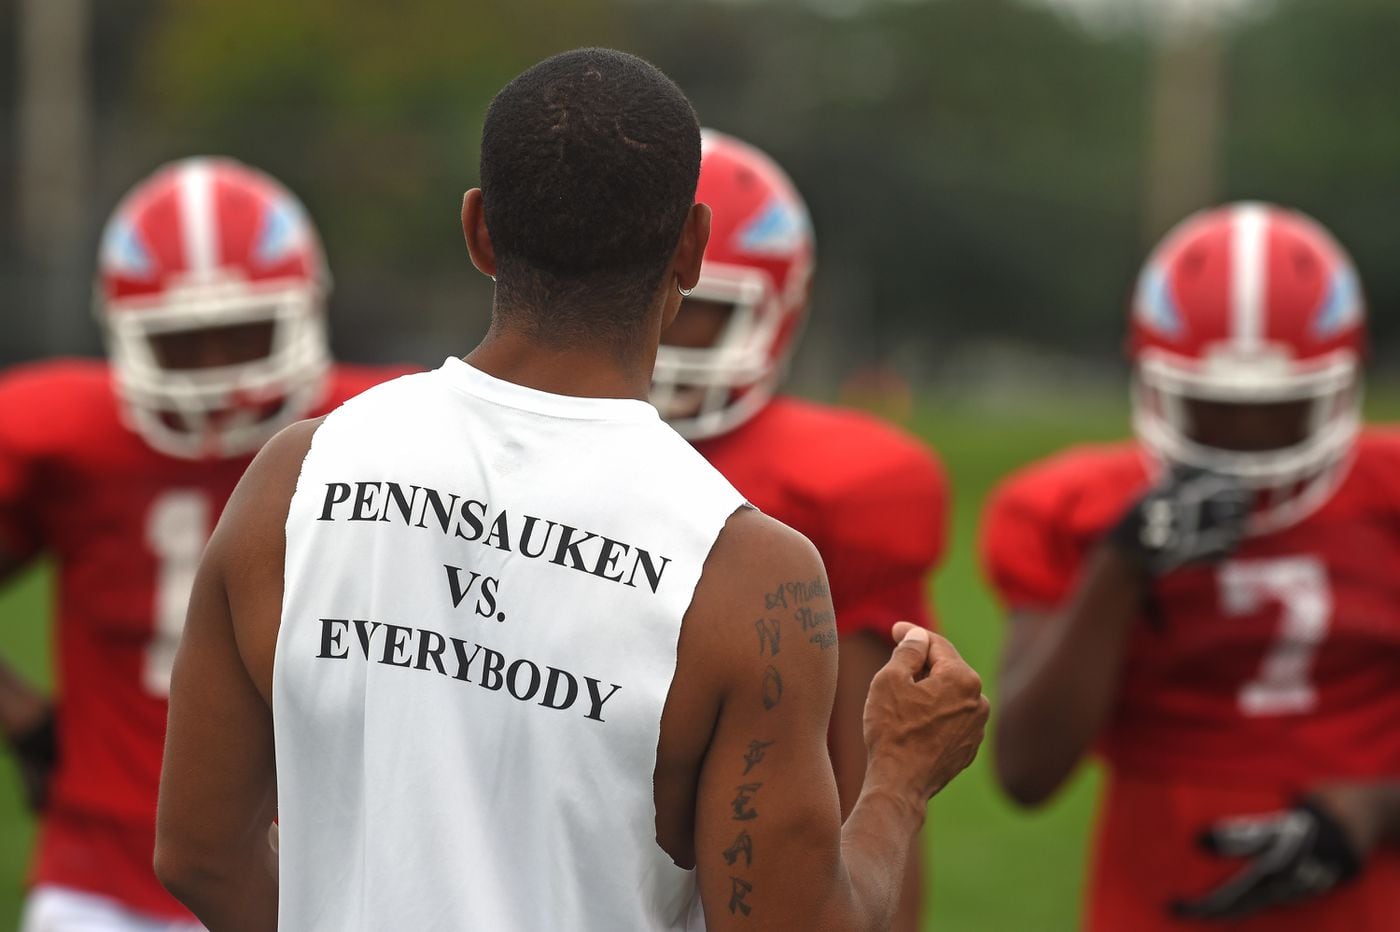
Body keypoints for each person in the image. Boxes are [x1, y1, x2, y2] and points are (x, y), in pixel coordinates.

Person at [154, 48, 988, 931]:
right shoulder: (752, 577)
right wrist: (899, 780)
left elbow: (199, 852)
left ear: (478, 229)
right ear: (693, 247)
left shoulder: (293, 477)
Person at [0, 156, 412, 931]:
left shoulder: (390, 428)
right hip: (104, 878)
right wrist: (20, 713)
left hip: (330, 870)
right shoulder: (68, 436)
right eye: (183, 344)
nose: (217, 374)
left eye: (243, 335)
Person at [981, 202, 1400, 930]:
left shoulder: (1387, 496)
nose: (1247, 440)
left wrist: (1374, 806)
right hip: (1152, 897)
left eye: (1282, 410)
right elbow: (1025, 770)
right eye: (1213, 409)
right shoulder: (1081, 512)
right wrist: (1118, 568)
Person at [651, 129, 946, 930]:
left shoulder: (842, 485)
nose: (657, 328)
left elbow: (869, 765)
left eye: (695, 309)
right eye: (640, 293)